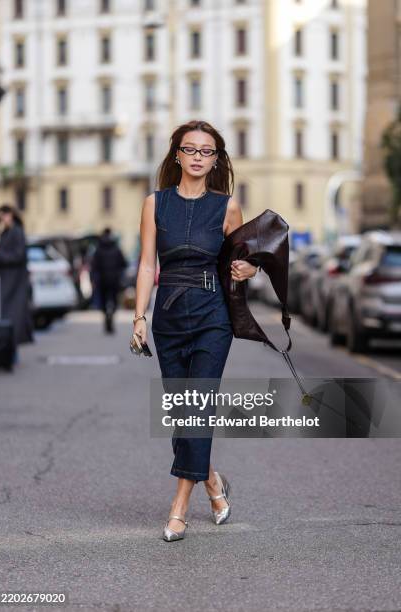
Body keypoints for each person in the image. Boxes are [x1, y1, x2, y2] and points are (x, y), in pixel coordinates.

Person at [133, 119, 258, 541]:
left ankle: (179, 506)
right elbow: (148, 264)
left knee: (197, 406)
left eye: (208, 152)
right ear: (177, 155)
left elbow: (241, 263)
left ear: (217, 159)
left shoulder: (227, 207)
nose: (199, 158)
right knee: (182, 411)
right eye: (191, 150)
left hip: (211, 316)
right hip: (168, 315)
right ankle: (212, 483)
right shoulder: (154, 203)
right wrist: (139, 317)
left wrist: (247, 268)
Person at [0, 204, 34, 363]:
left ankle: (10, 354)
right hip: (6, 281)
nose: (3, 219)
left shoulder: (16, 232)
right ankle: (6, 353)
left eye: (5, 215)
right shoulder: (7, 232)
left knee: (11, 317)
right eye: (1, 216)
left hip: (14, 282)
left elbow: (18, 255)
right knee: (5, 316)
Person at [90, 227, 127, 334]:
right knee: (114, 300)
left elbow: (94, 266)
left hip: (102, 280)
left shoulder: (98, 249)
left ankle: (106, 314)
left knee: (102, 300)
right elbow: (124, 263)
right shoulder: (116, 248)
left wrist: (93, 278)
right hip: (115, 280)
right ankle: (111, 313)